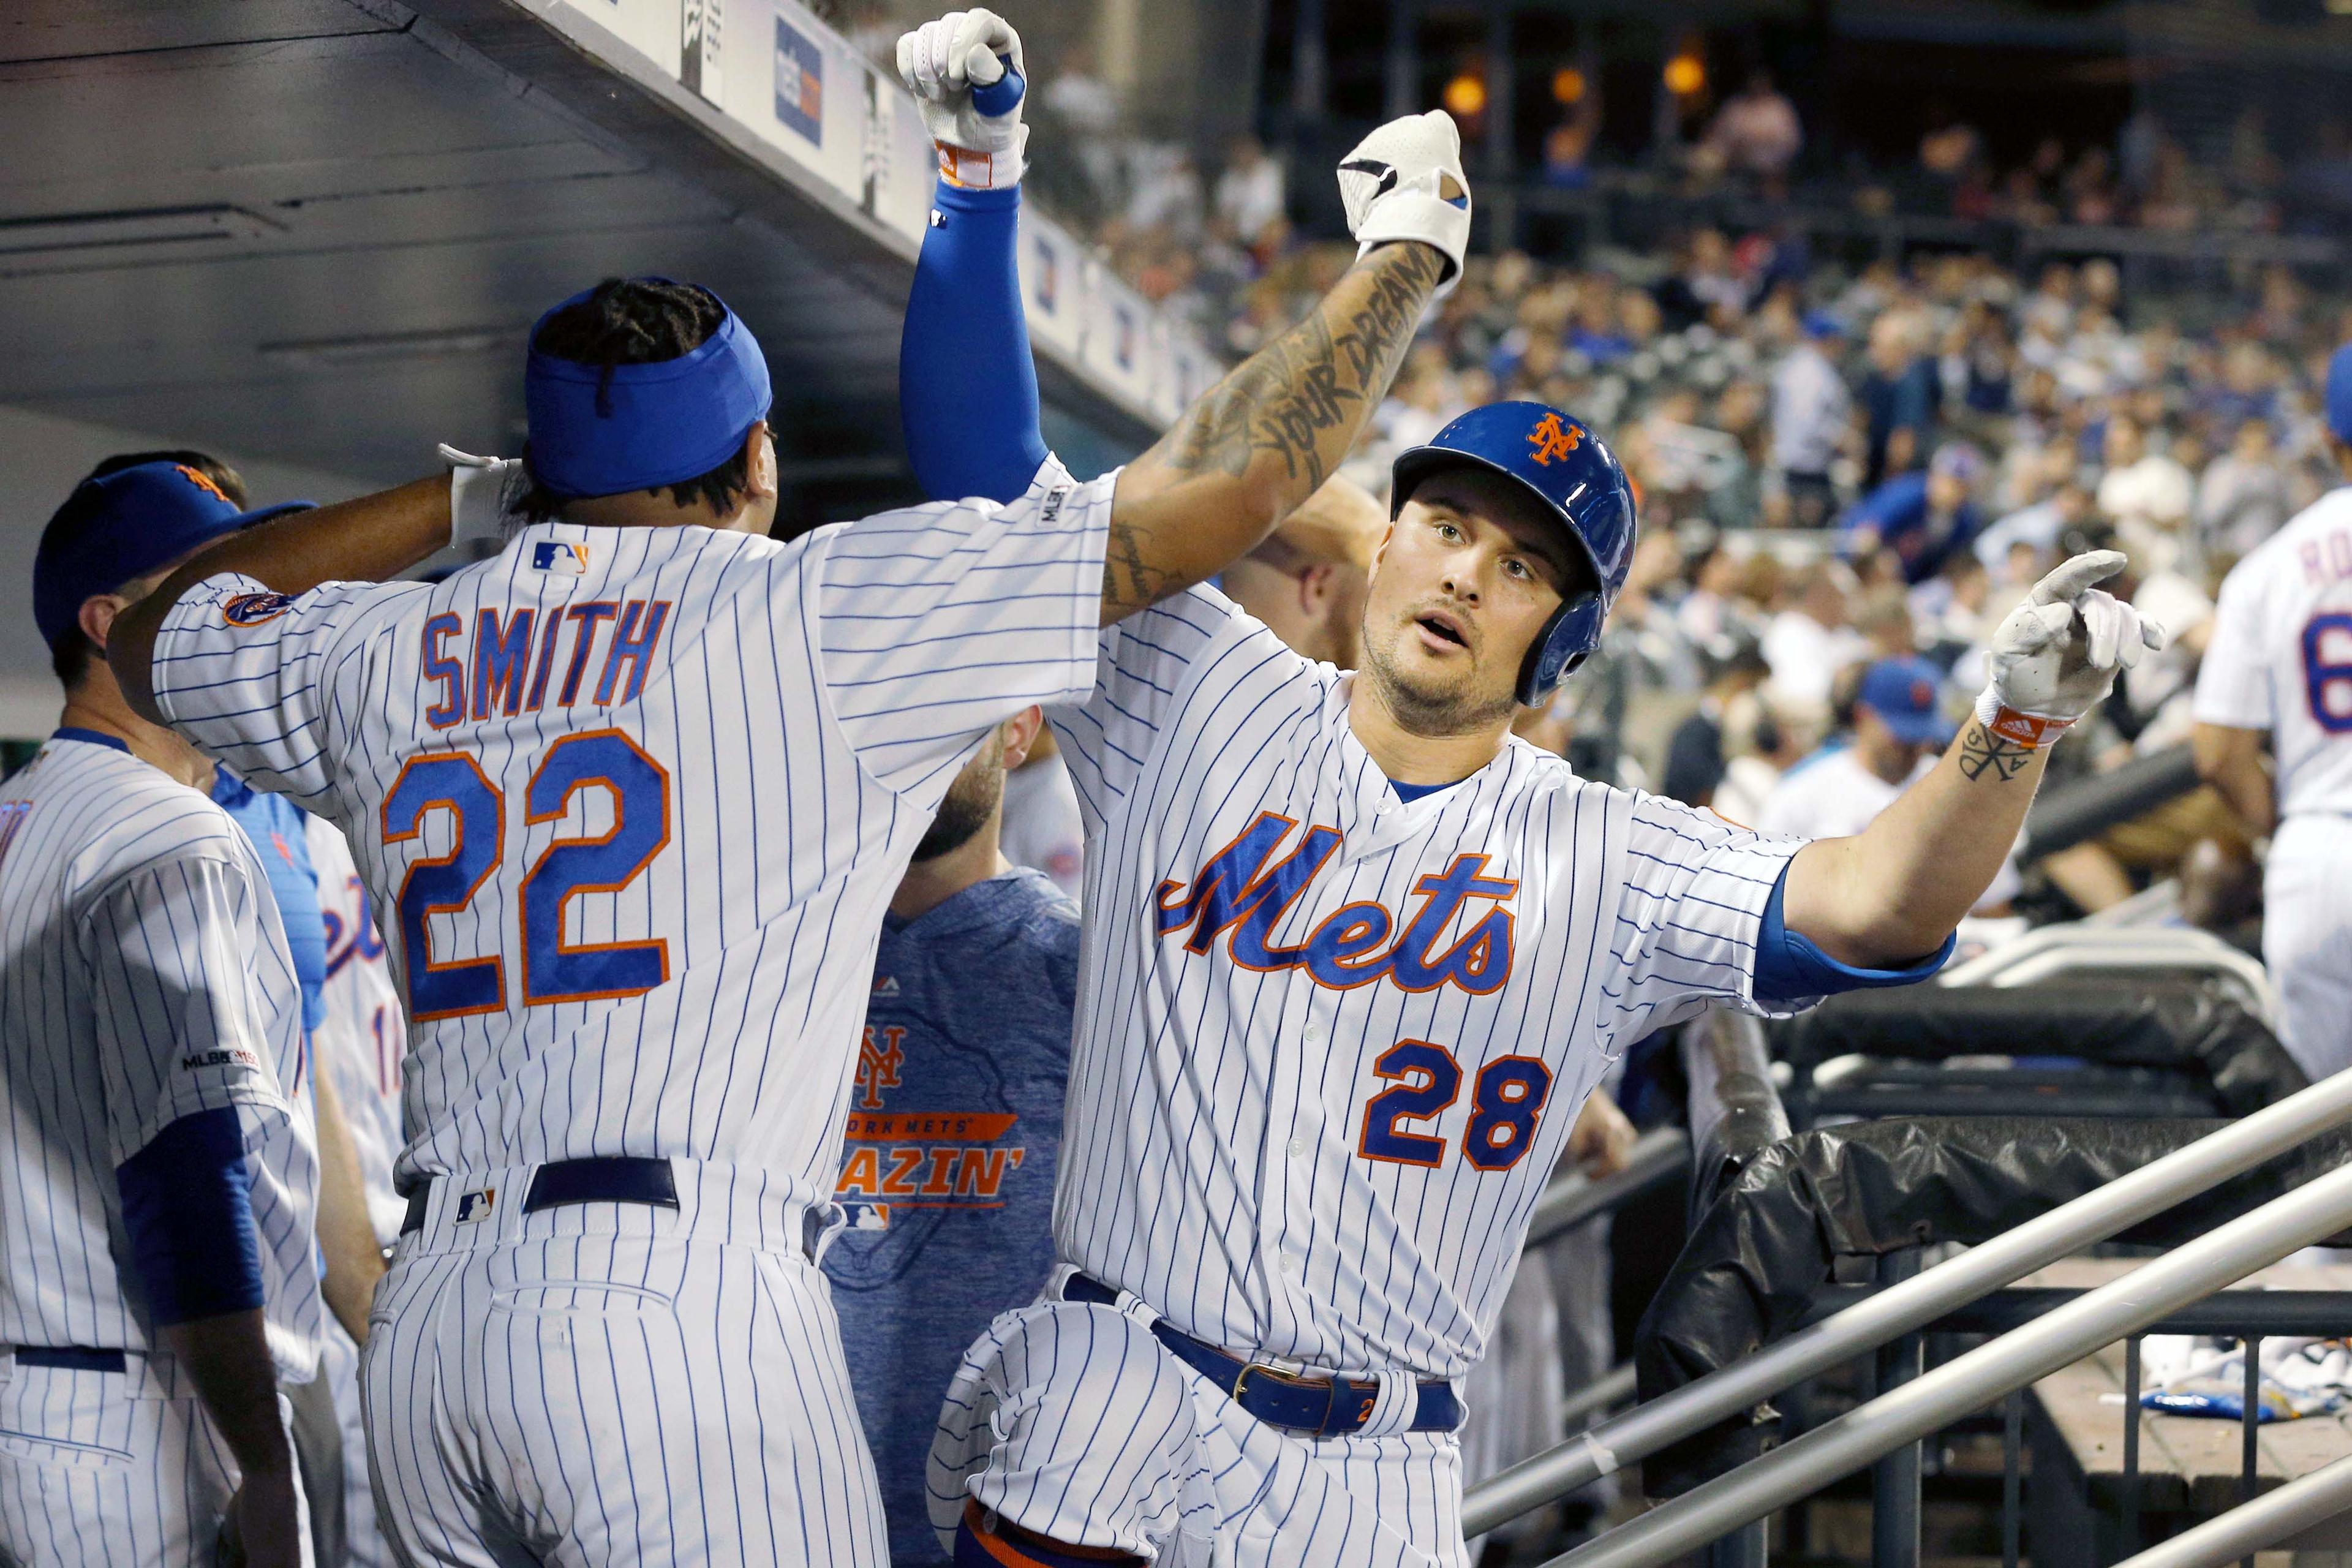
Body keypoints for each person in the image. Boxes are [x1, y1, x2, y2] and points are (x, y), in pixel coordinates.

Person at [105, 10, 1466, 1559]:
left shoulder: (388, 644)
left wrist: (467, 494)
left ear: (540, 468)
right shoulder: (804, 612)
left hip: (432, 1321)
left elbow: (159, 623)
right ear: (757, 463)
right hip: (674, 1310)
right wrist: (1404, 260)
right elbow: (1222, 486)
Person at [905, 120, 2164, 1568]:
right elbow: (991, 491)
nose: (1461, 571)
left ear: (1556, 642)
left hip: (1369, 1474)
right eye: (1444, 525)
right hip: (1109, 1398)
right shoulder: (1201, 684)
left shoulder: (1603, 854)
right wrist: (976, 179)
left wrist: (2010, 729)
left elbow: (1876, 903)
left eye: (1518, 568)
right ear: (1381, 547)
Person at [1, 461, 334, 1568]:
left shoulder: (21, 820)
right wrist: (260, 1458)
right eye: (211, 585)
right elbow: (183, 1174)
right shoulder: (167, 837)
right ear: (110, 625)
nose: (250, 610)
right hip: (122, 1414)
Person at [823, 704, 1080, 1565]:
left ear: (1019, 731)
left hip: (998, 1520)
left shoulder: (1084, 976)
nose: (918, 735)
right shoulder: (769, 971)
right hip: (770, 1504)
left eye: (953, 704)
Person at [2194, 343, 2352, 1082]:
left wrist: (2286, 828)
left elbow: (2219, 753)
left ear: (2329, 441)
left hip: (2321, 854)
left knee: (2321, 1154)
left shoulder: (2271, 565)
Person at [1841, 443, 1986, 586]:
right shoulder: (1908, 495)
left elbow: (1946, 565)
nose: (1953, 491)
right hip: (1859, 567)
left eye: (1962, 486)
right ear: (1935, 475)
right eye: (1951, 482)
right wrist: (1880, 561)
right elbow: (1864, 537)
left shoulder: (1964, 521)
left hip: (1909, 585)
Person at [1770, 312, 1850, 528]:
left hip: (1805, 463)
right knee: (1808, 531)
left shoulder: (1805, 366)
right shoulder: (1809, 372)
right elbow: (1808, 422)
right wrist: (1842, 438)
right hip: (1805, 467)